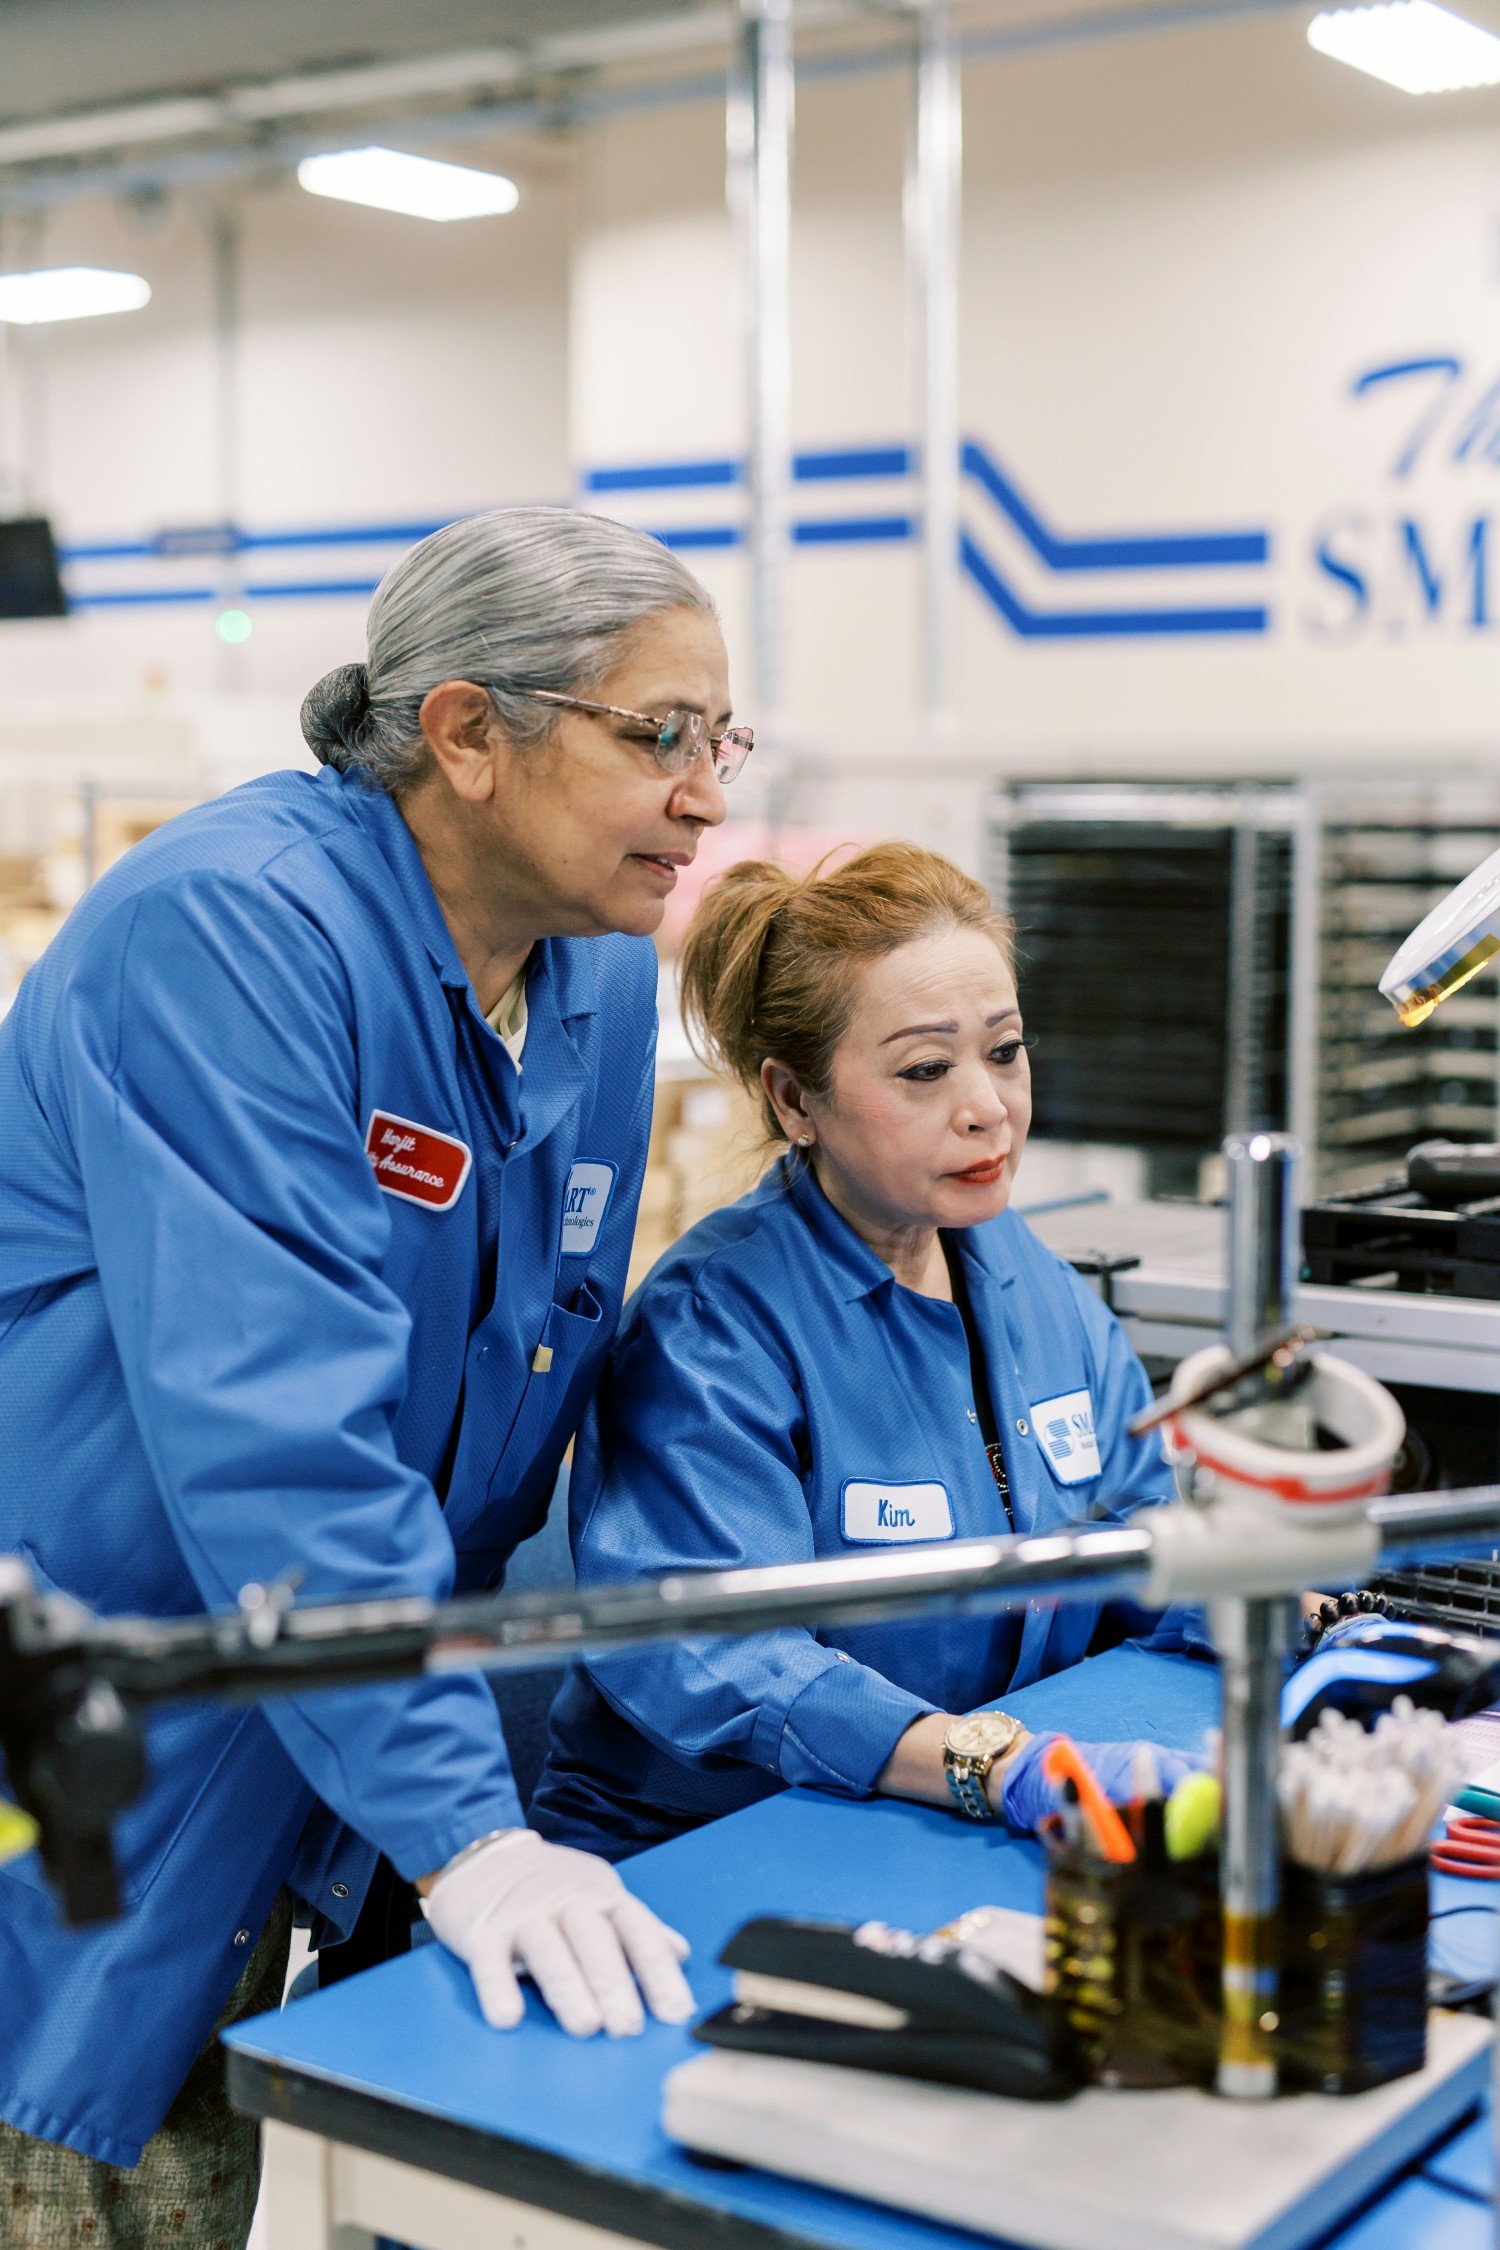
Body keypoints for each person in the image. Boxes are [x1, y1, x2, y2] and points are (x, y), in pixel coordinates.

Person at [0, 507, 754, 2246]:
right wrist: (458, 1831)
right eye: (658, 736)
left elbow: (524, 1394)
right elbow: (283, 1438)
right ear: (468, 734)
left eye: (721, 740)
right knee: (84, 2167)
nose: (706, 793)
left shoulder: (592, 982)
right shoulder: (232, 935)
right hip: (93, 1743)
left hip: (303, 1728)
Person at [531, 844, 1205, 1862]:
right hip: (709, 1852)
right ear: (795, 1101)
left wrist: (1309, 1613)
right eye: (926, 1070)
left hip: (934, 1828)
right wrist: (989, 1762)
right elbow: (723, 1650)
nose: (987, 1106)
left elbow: (1139, 1533)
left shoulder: (1033, 1287)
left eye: (1007, 1050)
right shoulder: (713, 1329)